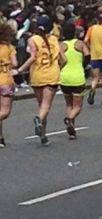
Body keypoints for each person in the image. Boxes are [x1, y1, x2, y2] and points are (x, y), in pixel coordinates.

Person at [16, 17, 66, 146]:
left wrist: (20, 69)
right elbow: (64, 59)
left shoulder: (32, 40)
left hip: (37, 74)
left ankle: (43, 135)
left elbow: (32, 57)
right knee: (46, 106)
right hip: (52, 74)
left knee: (41, 105)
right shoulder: (55, 39)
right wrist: (59, 68)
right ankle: (39, 121)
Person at [59, 23, 90, 140]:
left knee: (69, 104)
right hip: (77, 76)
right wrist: (82, 65)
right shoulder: (80, 44)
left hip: (64, 77)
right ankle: (70, 119)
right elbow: (88, 56)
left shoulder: (61, 45)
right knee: (77, 106)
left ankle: (72, 129)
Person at [0, 23, 17, 148]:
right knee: (5, 111)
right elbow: (15, 63)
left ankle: (0, 138)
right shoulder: (9, 48)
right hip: (5, 80)